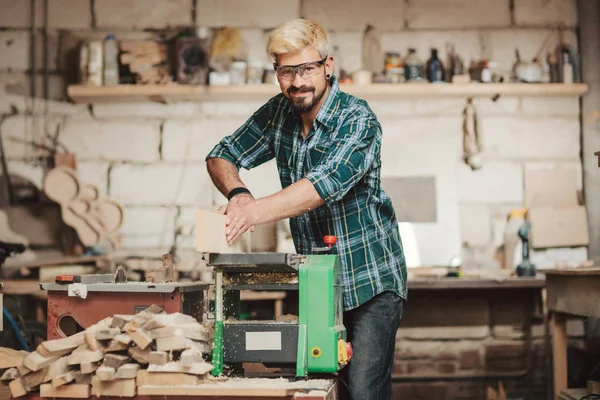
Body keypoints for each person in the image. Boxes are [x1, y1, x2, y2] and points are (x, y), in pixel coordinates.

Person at [205, 18, 407, 400]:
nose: (298, 81)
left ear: (328, 66)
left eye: (308, 69)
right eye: (286, 71)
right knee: (319, 388)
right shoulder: (279, 113)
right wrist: (238, 195)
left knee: (363, 392)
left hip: (370, 284)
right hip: (316, 284)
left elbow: (321, 186)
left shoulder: (358, 120)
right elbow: (220, 155)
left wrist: (253, 213)